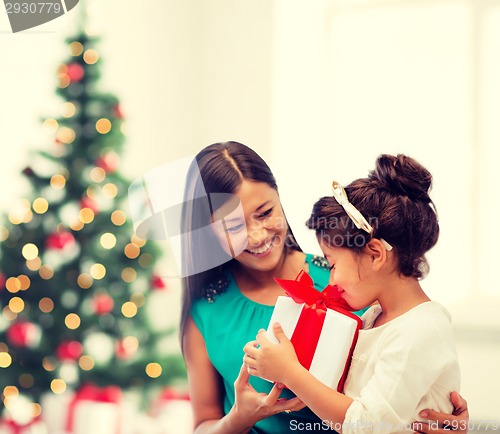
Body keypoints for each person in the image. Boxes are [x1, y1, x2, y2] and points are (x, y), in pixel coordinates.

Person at [180, 142, 469, 433]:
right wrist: (239, 418)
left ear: (280, 199)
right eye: (232, 227)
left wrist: (443, 412)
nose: (256, 236)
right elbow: (204, 422)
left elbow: (399, 388)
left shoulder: (353, 283)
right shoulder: (206, 309)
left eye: (265, 213)